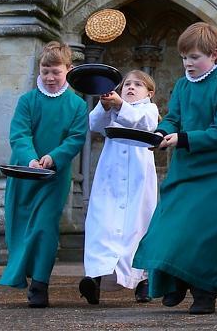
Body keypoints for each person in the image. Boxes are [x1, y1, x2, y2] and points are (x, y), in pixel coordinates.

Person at [132, 22, 217, 315]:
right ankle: (174, 281)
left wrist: (182, 139)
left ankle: (204, 294)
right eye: (184, 58)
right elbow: (173, 118)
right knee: (169, 226)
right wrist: (160, 132)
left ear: (214, 55)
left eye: (194, 57)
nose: (188, 64)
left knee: (205, 235)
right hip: (184, 170)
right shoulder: (182, 85)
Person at [0, 41, 88, 307]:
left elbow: (75, 138)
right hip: (25, 174)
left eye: (56, 71)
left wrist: (54, 157)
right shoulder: (27, 100)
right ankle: (24, 273)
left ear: (68, 70)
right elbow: (19, 134)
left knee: (45, 227)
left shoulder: (77, 105)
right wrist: (31, 158)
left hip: (54, 177)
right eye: (45, 70)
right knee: (22, 226)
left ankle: (40, 284)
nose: (49, 77)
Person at [79, 70, 159, 305]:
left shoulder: (148, 110)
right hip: (110, 178)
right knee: (102, 224)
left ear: (149, 93)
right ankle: (94, 278)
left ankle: (143, 280)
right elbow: (94, 124)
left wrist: (121, 104)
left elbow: (141, 122)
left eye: (138, 85)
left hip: (138, 179)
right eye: (127, 84)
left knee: (138, 226)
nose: (131, 87)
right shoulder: (112, 109)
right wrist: (104, 106)